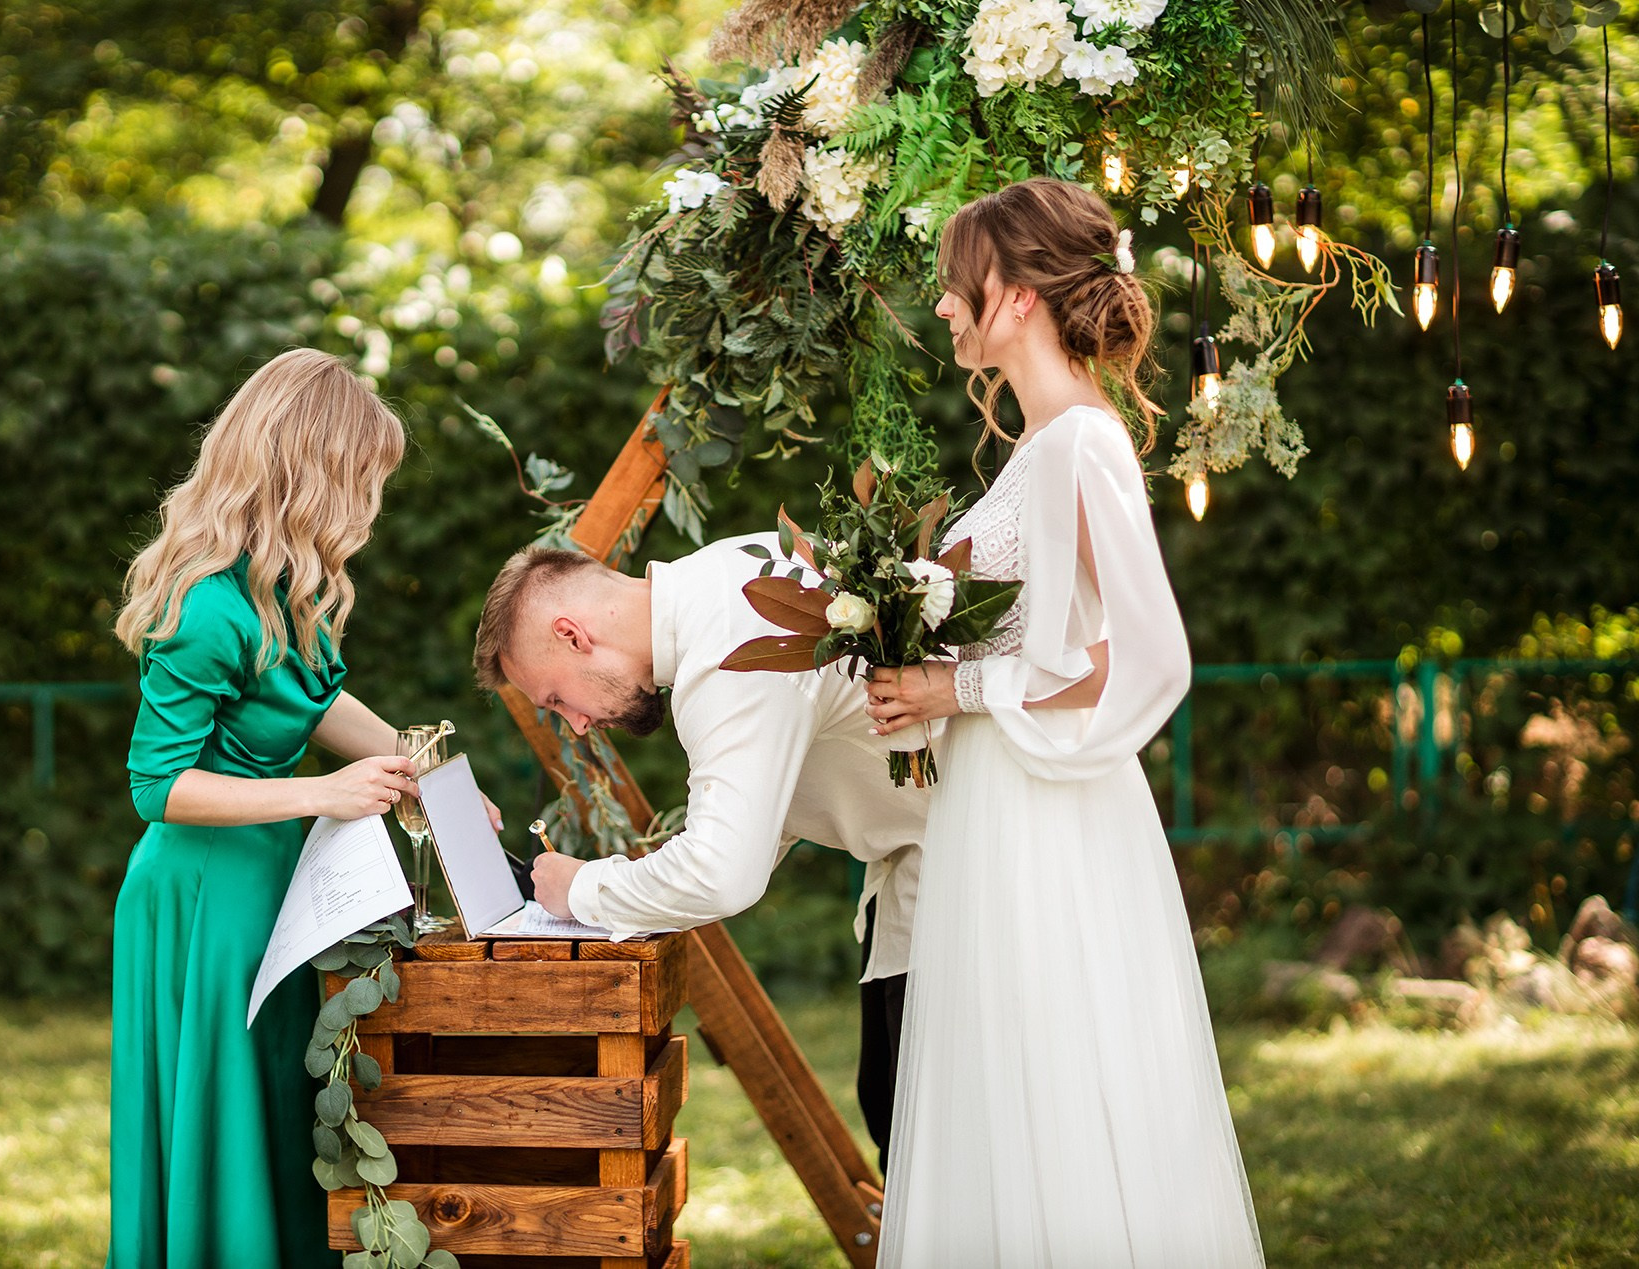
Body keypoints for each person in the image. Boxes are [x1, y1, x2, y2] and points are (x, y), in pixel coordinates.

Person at [862, 178, 1263, 1266]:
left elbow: (1144, 652)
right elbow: (1040, 636)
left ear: (1021, 296)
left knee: (1056, 1068)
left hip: (1045, 810)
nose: (943, 306)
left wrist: (959, 691)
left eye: (960, 286)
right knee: (1007, 1077)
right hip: (997, 803)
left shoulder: (1080, 444)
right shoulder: (1036, 449)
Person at [107, 348, 421, 1269]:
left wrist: (429, 772)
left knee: (283, 1111)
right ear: (311, 474)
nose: (370, 506)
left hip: (275, 887)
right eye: (363, 481)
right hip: (205, 900)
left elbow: (317, 704)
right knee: (227, 1118)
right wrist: (322, 794)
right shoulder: (207, 606)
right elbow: (157, 788)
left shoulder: (287, 596)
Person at [472, 536, 928, 1165]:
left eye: (555, 699)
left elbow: (724, 873)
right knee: (890, 1110)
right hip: (911, 868)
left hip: (964, 873)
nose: (575, 725)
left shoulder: (724, 652)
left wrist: (580, 890)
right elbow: (759, 818)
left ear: (573, 635)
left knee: (923, 1139)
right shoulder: (730, 572)